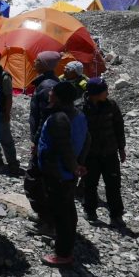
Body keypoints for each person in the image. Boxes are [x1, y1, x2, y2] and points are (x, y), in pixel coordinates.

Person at [38, 80, 90, 266]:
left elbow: (64, 147)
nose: (49, 92)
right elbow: (87, 140)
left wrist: (73, 166)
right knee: (67, 209)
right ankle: (66, 243)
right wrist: (80, 164)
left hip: (59, 173)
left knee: (62, 213)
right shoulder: (78, 115)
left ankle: (63, 253)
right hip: (68, 173)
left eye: (53, 91)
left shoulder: (59, 118)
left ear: (59, 97)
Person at [81, 77, 126, 229]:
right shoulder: (81, 108)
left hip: (110, 152)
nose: (107, 92)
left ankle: (116, 215)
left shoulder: (111, 105)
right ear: (94, 93)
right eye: (104, 90)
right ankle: (90, 211)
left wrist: (121, 148)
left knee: (113, 184)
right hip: (90, 154)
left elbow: (119, 127)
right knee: (90, 184)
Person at [25, 50, 61, 233]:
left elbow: (44, 118)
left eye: (38, 60)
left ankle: (47, 221)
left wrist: (36, 142)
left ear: (45, 65)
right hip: (46, 142)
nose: (34, 61)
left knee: (34, 181)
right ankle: (48, 218)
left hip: (45, 143)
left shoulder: (46, 86)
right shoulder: (49, 83)